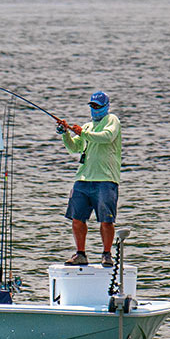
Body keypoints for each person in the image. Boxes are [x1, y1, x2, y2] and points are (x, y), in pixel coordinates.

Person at [56, 91, 122, 267]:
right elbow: (74, 148)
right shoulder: (87, 127)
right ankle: (81, 254)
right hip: (83, 179)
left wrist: (82, 133)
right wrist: (66, 134)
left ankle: (107, 254)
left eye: (98, 106)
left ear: (106, 107)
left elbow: (107, 137)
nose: (94, 110)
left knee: (106, 220)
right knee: (77, 218)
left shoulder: (112, 121)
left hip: (106, 179)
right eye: (92, 106)